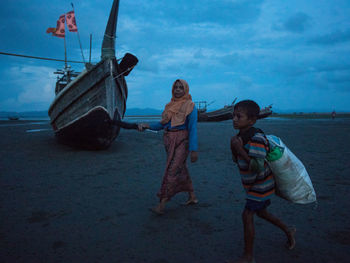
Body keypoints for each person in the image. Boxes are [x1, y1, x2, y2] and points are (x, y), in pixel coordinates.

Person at [228, 100, 296, 263]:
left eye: (239, 116)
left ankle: (248, 256)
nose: (234, 119)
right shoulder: (240, 137)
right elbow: (237, 161)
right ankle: (288, 230)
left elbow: (257, 167)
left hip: (260, 185)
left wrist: (238, 149)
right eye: (233, 116)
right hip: (254, 185)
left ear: (252, 120)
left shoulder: (257, 138)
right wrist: (234, 148)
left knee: (247, 215)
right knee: (262, 213)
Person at [138, 79, 199, 215]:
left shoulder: (190, 106)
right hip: (169, 141)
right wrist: (147, 125)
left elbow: (193, 128)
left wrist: (194, 149)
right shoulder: (170, 106)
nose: (177, 90)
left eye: (180, 88)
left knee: (172, 169)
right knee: (180, 168)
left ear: (186, 90)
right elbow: (162, 124)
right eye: (175, 87)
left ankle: (162, 203)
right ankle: (192, 196)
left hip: (182, 141)